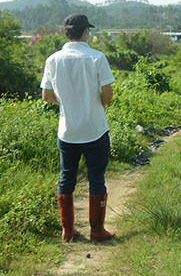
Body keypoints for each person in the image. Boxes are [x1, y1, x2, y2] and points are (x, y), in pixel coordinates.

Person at [41, 14, 116, 242]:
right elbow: (108, 94)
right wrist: (96, 106)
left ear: (67, 33)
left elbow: (46, 96)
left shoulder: (53, 60)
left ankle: (68, 230)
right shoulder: (97, 57)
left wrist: (67, 103)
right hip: (95, 129)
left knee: (66, 177)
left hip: (68, 131)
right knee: (96, 177)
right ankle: (97, 230)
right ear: (85, 32)